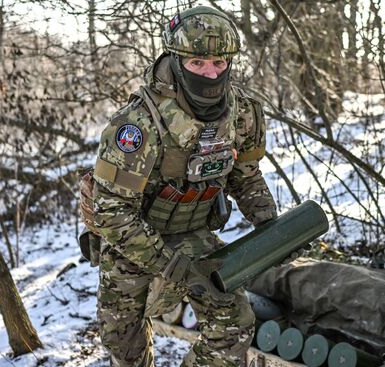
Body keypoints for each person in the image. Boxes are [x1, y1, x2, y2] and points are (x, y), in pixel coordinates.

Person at [91, 5, 277, 367]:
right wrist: (168, 265)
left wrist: (269, 224)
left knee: (233, 326)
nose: (211, 73)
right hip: (135, 245)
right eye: (198, 63)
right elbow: (113, 214)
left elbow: (245, 174)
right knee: (125, 350)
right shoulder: (138, 124)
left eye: (220, 63)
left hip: (195, 234)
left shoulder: (243, 112)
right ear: (176, 60)